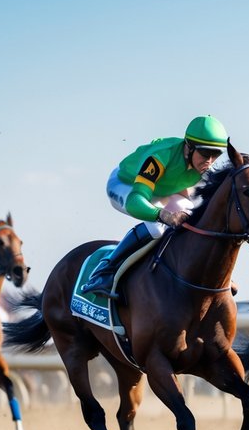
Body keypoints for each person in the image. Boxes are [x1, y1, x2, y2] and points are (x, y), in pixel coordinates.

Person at [80, 115, 229, 302]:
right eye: (205, 153)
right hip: (126, 185)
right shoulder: (160, 157)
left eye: (216, 155)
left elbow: (182, 184)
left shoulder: (201, 164)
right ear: (189, 147)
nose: (210, 161)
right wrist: (162, 214)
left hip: (160, 189)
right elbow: (136, 199)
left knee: (191, 217)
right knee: (157, 227)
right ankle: (104, 271)